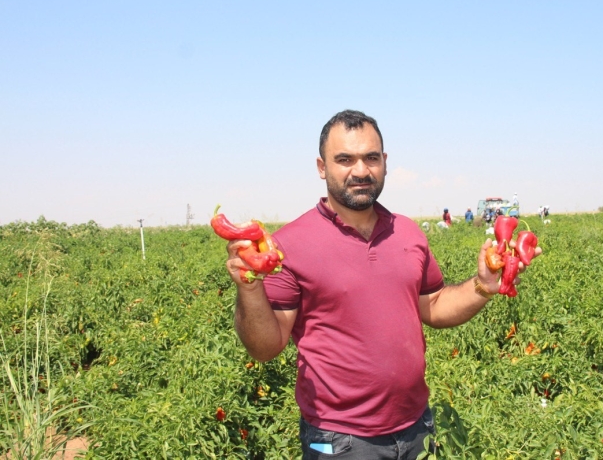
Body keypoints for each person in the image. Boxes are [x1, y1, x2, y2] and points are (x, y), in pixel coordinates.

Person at [222, 110, 541, 459]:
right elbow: (264, 348)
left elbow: (433, 306)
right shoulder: (289, 244)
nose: (360, 170)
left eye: (370, 158)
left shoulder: (407, 232)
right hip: (340, 439)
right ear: (321, 167)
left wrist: (482, 285)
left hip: (417, 425)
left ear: (385, 163)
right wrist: (249, 287)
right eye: (344, 159)